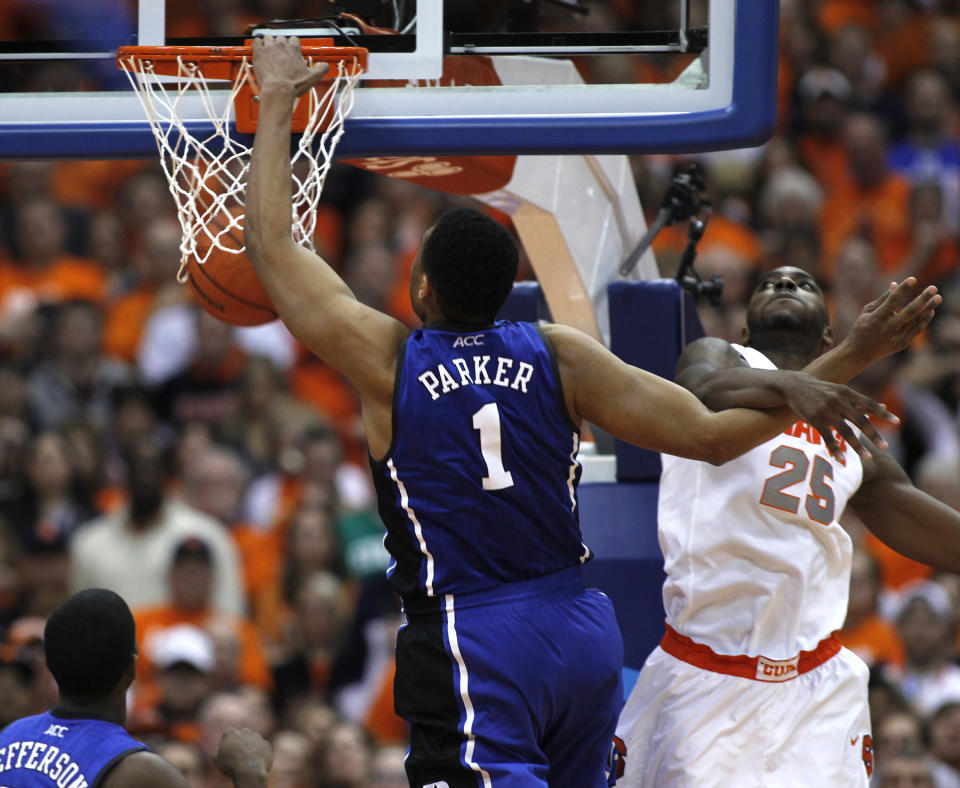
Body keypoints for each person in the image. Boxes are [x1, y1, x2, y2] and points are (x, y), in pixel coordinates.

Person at [244, 36, 939, 787]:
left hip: (474, 629)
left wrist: (278, 96)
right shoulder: (560, 353)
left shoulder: (386, 359)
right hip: (578, 626)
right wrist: (825, 370)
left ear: (420, 292)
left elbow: (272, 245)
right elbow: (709, 437)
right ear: (509, 284)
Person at [615, 267, 960, 787]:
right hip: (709, 676)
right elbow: (700, 388)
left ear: (826, 333)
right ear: (746, 332)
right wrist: (835, 365)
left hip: (815, 686)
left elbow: (911, 512)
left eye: (803, 284)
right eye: (768, 284)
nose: (783, 286)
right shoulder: (720, 359)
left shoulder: (847, 427)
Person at [0, 588, 271, 787]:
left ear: (50, 667)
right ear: (132, 668)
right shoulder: (142, 773)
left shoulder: (9, 737)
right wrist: (249, 772)